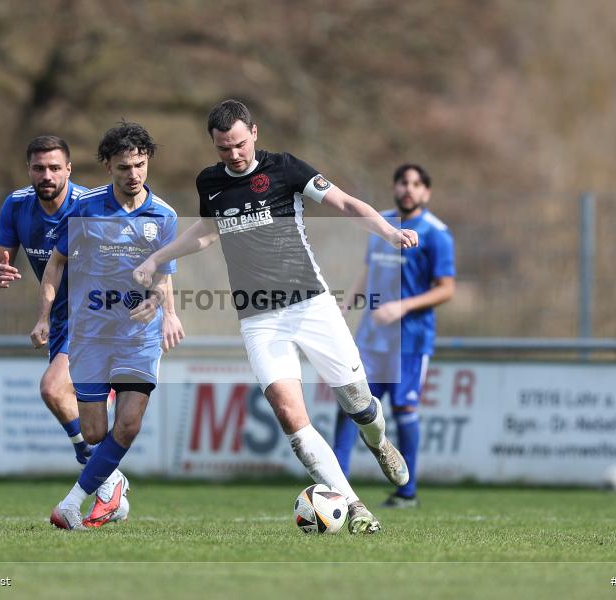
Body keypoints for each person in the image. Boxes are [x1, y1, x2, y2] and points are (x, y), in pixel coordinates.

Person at [133, 99, 418, 534]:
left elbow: (343, 204)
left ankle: (378, 443)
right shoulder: (209, 182)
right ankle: (356, 507)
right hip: (259, 319)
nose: (233, 155)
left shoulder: (285, 169)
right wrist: (159, 257)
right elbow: (208, 232)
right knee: (289, 414)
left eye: (239, 144)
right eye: (224, 148)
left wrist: (389, 230)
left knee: (359, 404)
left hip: (311, 305)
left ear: (255, 132)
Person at [33, 122, 181, 530]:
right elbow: (57, 262)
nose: (133, 174)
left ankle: (70, 503)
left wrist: (165, 310)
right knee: (96, 432)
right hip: (93, 334)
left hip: (138, 336)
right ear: (106, 167)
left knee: (128, 425)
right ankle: (112, 484)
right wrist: (45, 316)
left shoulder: (163, 215)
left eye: (139, 165)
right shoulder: (86, 208)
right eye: (123, 168)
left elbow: (163, 277)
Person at [0, 135, 130, 527]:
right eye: (38, 168)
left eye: (54, 167)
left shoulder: (89, 207)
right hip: (65, 318)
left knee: (52, 387)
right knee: (85, 419)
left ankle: (107, 477)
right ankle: (107, 480)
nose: (46, 175)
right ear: (29, 170)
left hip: (97, 315)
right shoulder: (17, 206)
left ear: (69, 169)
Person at [333, 163, 455, 508]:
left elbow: (446, 289)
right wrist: (345, 305)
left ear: (426, 192)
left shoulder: (436, 233)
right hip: (370, 340)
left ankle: (407, 492)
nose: (408, 189)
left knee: (404, 411)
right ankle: (336, 487)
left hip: (410, 342)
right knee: (351, 408)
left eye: (416, 184)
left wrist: (401, 307)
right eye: (402, 182)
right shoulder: (381, 223)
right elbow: (368, 270)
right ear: (394, 187)